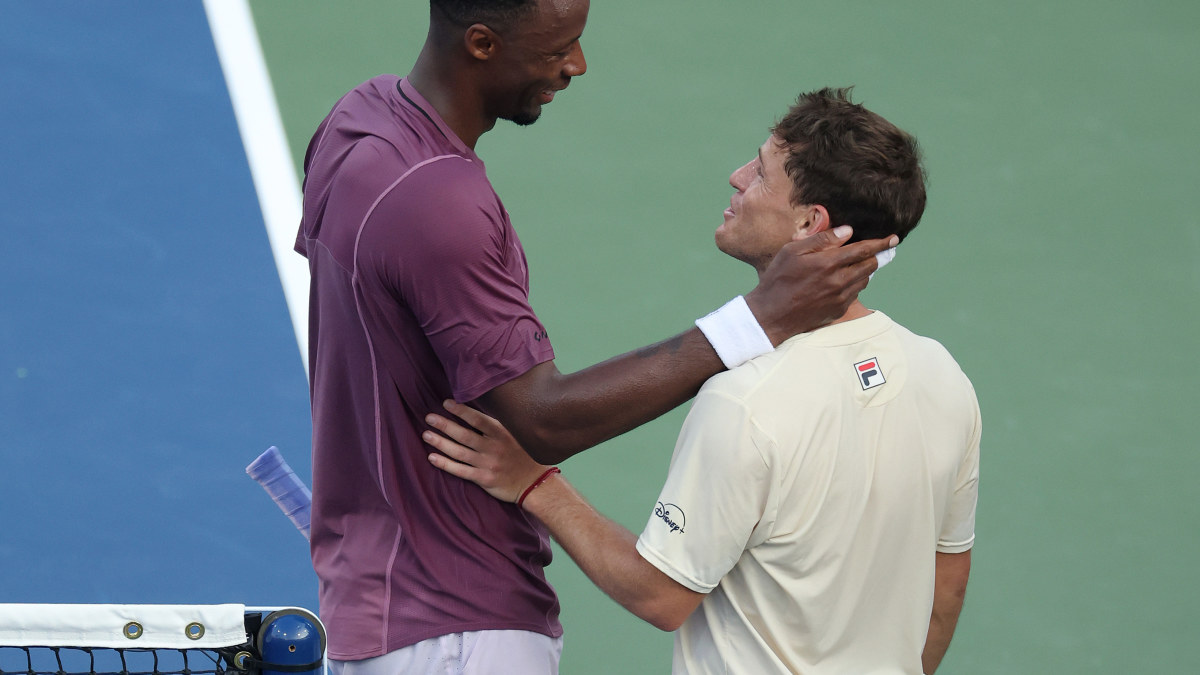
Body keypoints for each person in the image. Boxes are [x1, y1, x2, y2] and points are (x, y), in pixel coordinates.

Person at [295, 0, 898, 670]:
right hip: (456, 629)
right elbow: (540, 419)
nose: (576, 65)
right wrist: (760, 317)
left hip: (376, 605)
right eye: (559, 46)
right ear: (483, 44)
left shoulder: (356, 122)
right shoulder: (440, 201)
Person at [425, 87, 980, 674]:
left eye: (762, 175)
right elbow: (947, 587)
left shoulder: (747, 403)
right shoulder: (942, 376)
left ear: (810, 225)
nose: (737, 177)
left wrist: (533, 482)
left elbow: (660, 594)